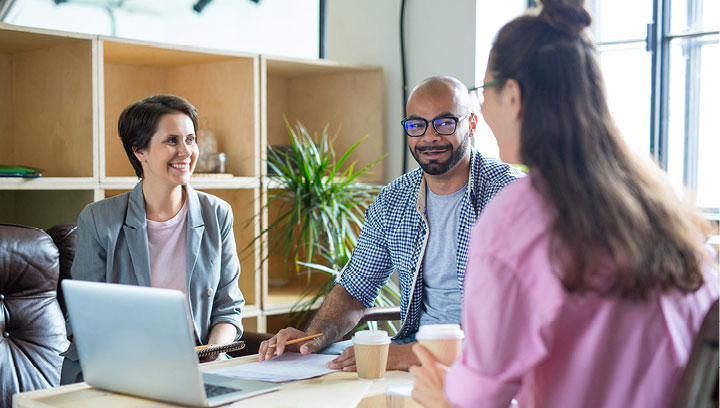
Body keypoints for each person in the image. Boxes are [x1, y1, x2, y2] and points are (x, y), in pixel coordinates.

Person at [409, 1, 719, 407]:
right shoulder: (655, 204)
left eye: (485, 92)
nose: (481, 110)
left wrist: (442, 396)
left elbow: (478, 399)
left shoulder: (515, 217)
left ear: (514, 96)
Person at [258, 76, 523, 370]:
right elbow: (355, 289)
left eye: (445, 123)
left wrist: (410, 355)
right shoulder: (393, 200)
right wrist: (312, 338)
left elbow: (520, 322)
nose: (429, 137)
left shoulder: (512, 196)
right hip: (410, 356)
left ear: (471, 124)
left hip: (481, 363)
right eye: (416, 125)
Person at [60, 94, 245, 384]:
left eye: (190, 139)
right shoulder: (99, 219)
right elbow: (84, 318)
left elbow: (228, 307)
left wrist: (215, 352)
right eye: (171, 140)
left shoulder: (217, 214)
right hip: (117, 368)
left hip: (201, 369)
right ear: (139, 150)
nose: (186, 152)